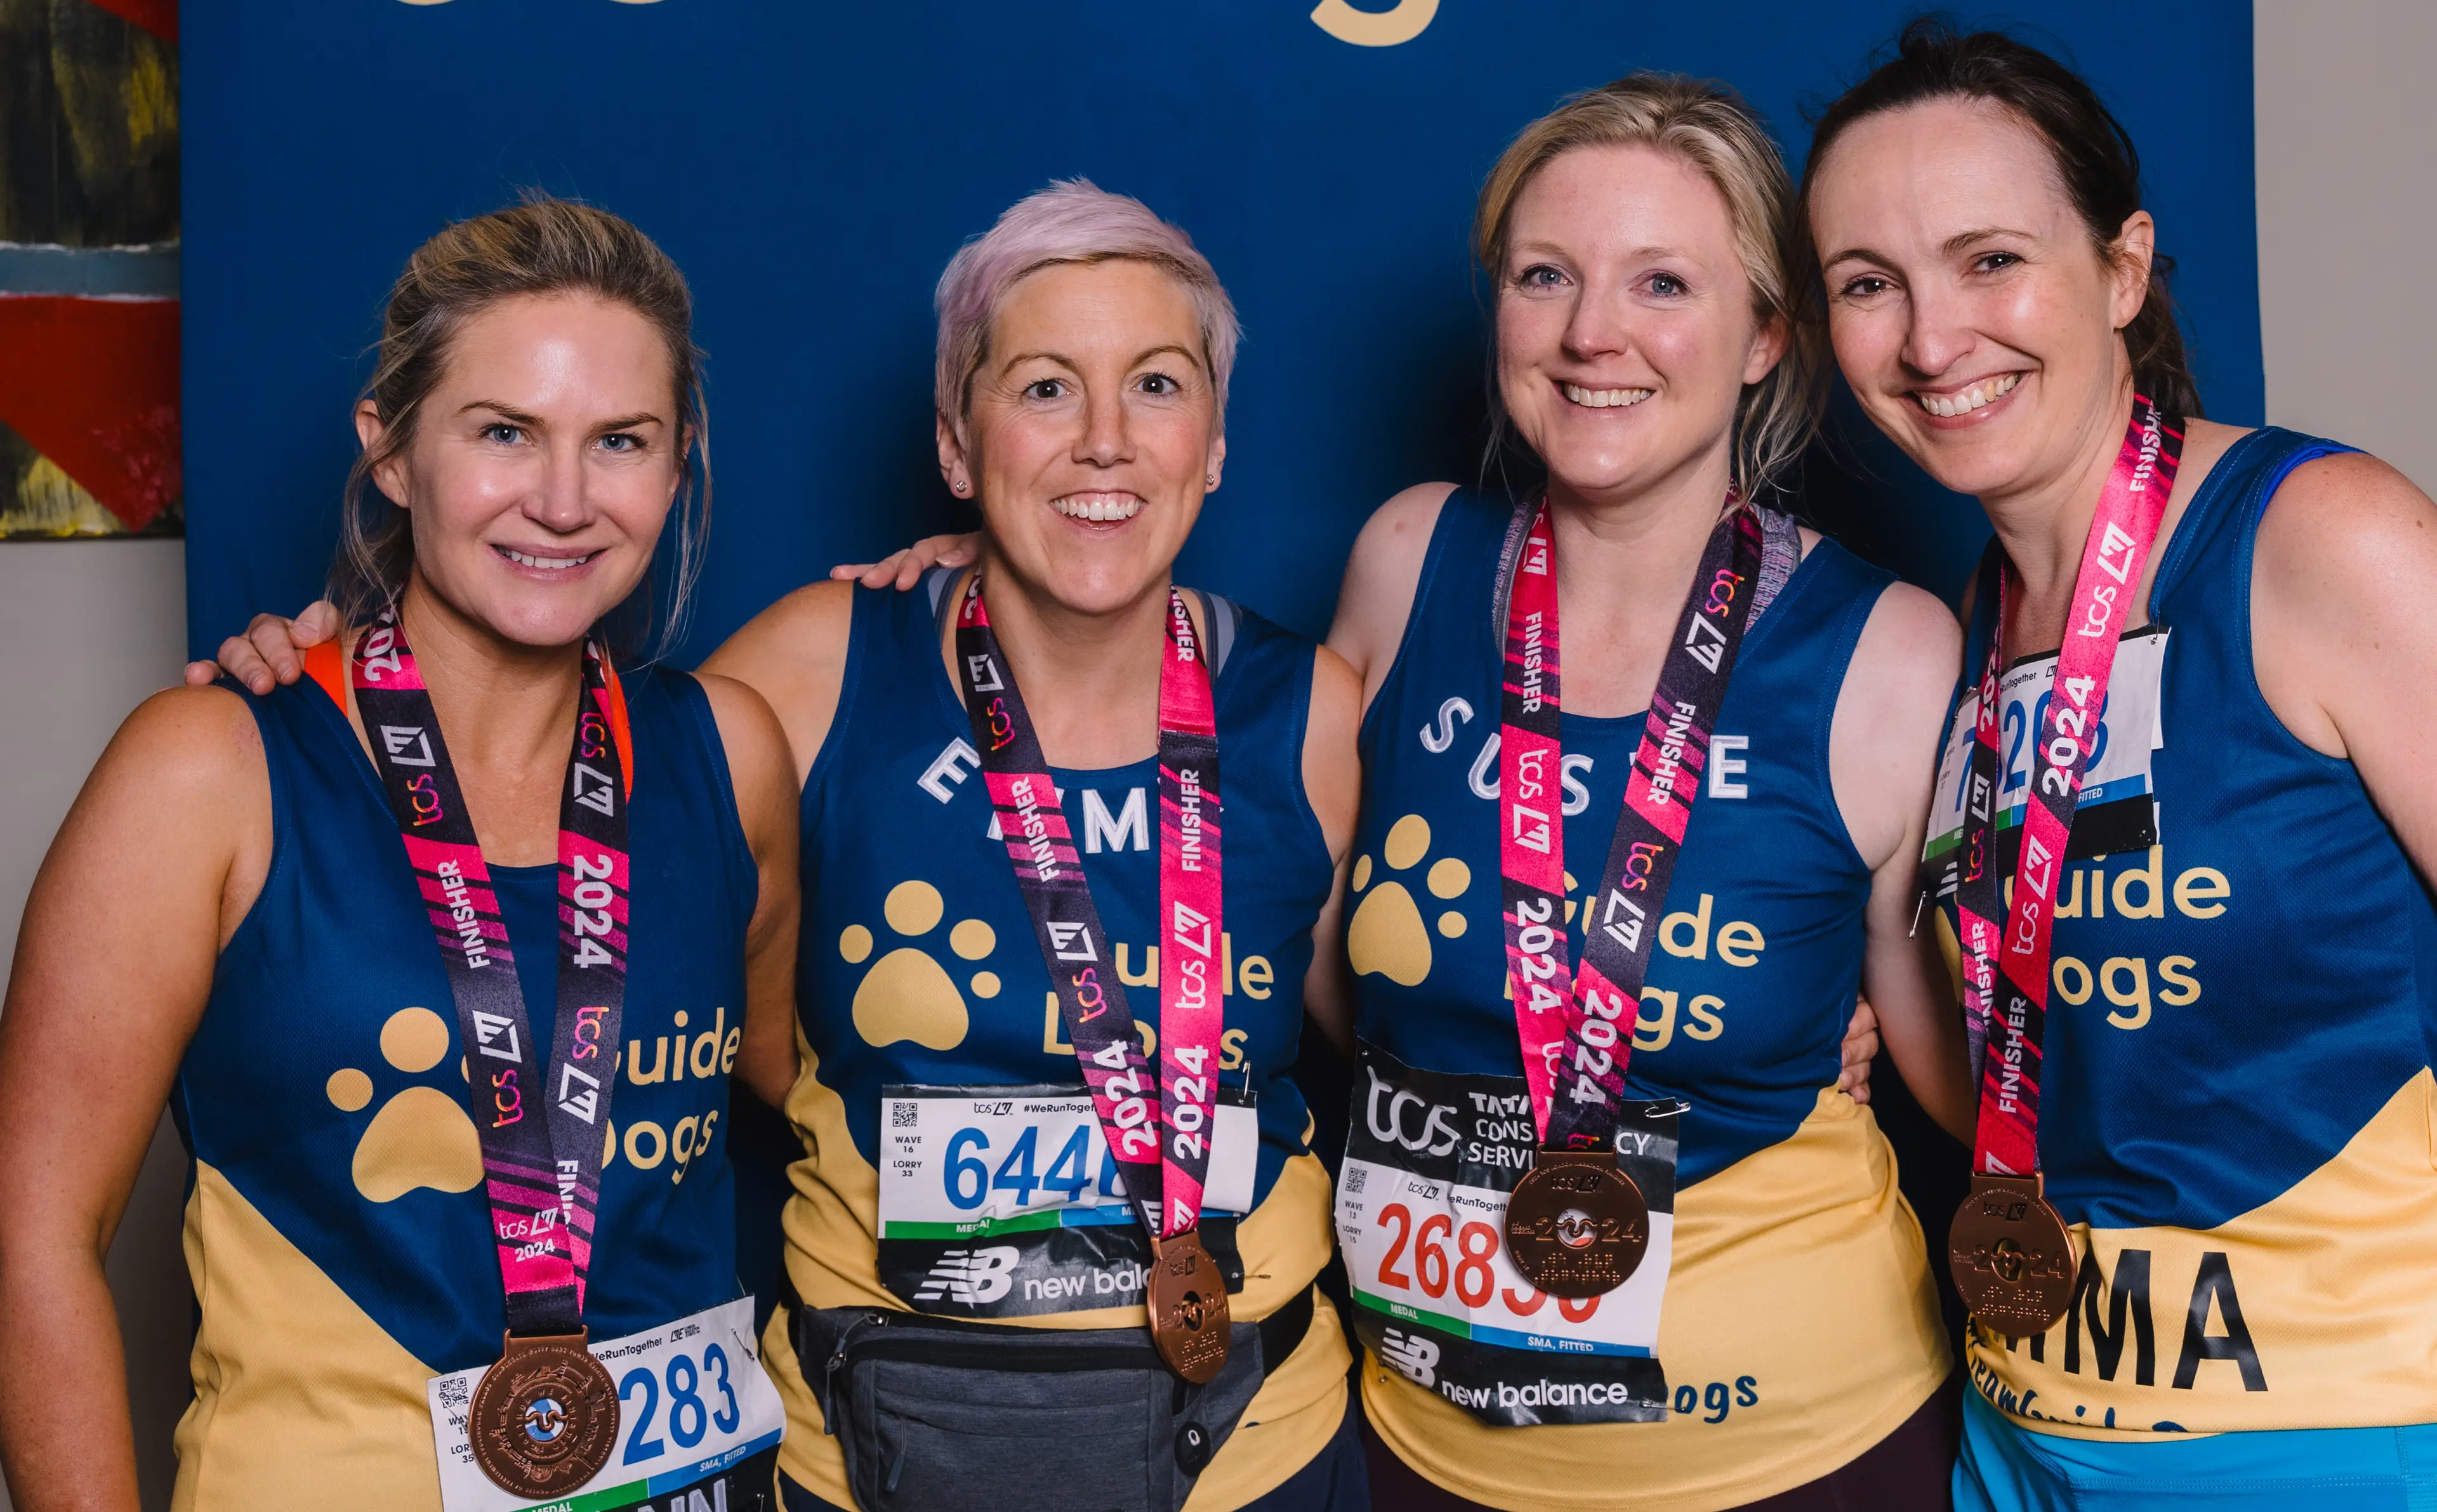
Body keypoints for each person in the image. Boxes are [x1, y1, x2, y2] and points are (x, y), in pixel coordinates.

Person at [190, 182, 1371, 1510]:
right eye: (1044, 389)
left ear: (1214, 439)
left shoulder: (1313, 712)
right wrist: (332, 676)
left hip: (1255, 1440)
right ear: (956, 442)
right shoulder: (808, 674)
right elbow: (685, 961)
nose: (1104, 439)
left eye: (1157, 384)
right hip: (865, 1449)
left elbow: (1408, 1033)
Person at [0, 199, 803, 1509]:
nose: (561, 498)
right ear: (390, 447)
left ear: (678, 463)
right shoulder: (208, 770)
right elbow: (34, 1239)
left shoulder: (731, 753)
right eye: (503, 432)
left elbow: (808, 1081)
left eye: (620, 442)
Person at [1803, 20, 2437, 1509]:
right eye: (1867, 285)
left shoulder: (2321, 539)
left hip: (2342, 1437)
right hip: (2025, 1428)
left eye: (1989, 259)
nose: (1933, 340)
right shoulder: (1959, 631)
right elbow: (2027, 1062)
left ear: (2124, 268)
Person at [1318, 76, 1971, 1511]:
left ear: (1764, 337)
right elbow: (1280, 940)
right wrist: (969, 590)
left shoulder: (1893, 650)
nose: (1589, 332)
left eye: (1660, 281)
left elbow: (1968, 1074)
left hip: (1804, 1450)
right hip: (1429, 1446)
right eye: (1544, 275)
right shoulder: (1404, 561)